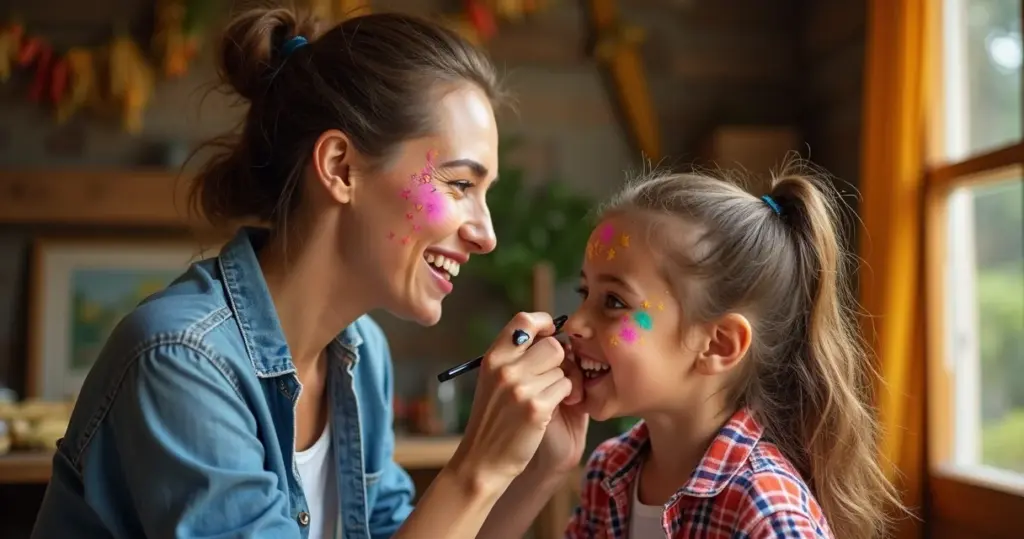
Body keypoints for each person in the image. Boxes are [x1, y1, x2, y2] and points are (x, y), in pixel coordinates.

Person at [31, 6, 588, 539]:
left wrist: (535, 470)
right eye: (461, 185)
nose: (487, 233)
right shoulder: (180, 362)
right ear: (341, 168)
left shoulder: (360, 353)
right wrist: (478, 465)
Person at [560, 162, 903, 539]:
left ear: (719, 344)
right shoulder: (609, 471)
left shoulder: (768, 514)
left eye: (613, 301)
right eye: (584, 293)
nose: (575, 323)